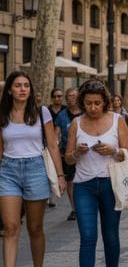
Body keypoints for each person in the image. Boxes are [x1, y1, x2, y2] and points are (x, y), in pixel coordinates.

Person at [64, 80, 128, 267]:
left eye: (97, 103)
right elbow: (68, 158)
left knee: (111, 235)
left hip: (111, 184)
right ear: (82, 103)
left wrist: (114, 151)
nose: (93, 107)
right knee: (87, 236)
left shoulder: (117, 120)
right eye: (88, 103)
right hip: (84, 185)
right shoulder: (76, 123)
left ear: (105, 102)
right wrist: (77, 152)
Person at [0, 71, 65, 267]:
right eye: (17, 85)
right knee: (10, 227)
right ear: (10, 89)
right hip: (7, 171)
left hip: (36, 169)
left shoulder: (41, 112)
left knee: (35, 228)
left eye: (26, 85)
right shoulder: (2, 114)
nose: (22, 89)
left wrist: (59, 174)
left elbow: (53, 146)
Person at [54, 88, 81, 221]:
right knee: (70, 181)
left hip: (84, 153)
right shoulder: (61, 115)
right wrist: (56, 145)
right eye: (69, 96)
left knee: (82, 180)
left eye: (74, 96)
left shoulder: (84, 114)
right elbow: (56, 133)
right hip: (67, 153)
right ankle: (74, 208)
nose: (71, 98)